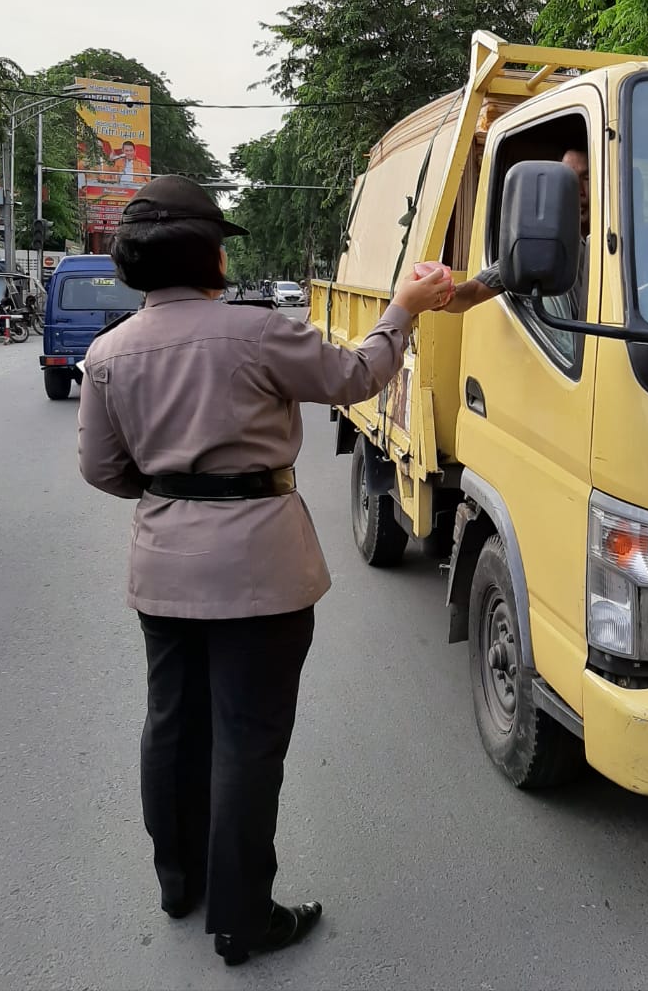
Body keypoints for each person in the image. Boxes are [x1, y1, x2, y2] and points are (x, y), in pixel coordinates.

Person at [76, 175, 452, 967]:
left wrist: (174, 491)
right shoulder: (256, 332)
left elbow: (104, 471)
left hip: (163, 566)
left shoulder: (106, 354)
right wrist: (404, 310)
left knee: (171, 726)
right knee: (247, 741)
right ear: (210, 257)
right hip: (261, 570)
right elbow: (355, 379)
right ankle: (244, 918)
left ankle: (180, 883)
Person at [442, 146, 590, 315]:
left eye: (587, 178)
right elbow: (474, 292)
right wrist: (444, 295)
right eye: (569, 180)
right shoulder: (545, 247)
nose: (578, 191)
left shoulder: (618, 246)